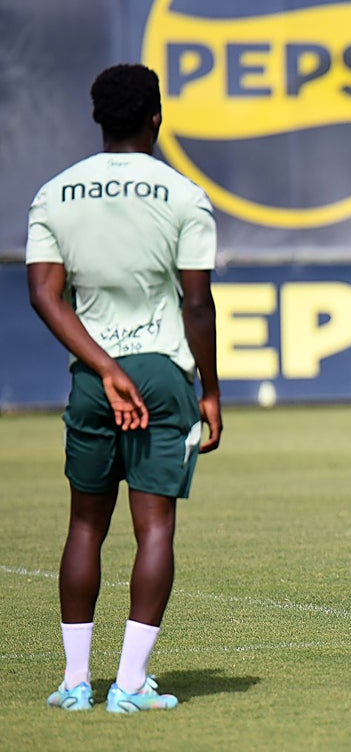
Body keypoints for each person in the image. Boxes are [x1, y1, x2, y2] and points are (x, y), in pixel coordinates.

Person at [27, 63, 221, 712]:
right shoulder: (186, 196)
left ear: (98, 119)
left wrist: (104, 368)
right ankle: (131, 684)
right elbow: (197, 305)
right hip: (163, 373)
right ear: (155, 118)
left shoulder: (54, 194)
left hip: (92, 374)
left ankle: (76, 682)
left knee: (85, 524)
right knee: (154, 526)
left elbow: (44, 295)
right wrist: (211, 390)